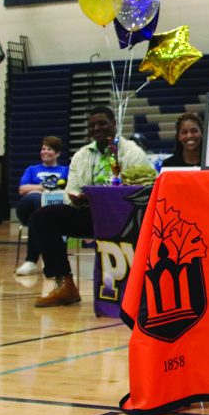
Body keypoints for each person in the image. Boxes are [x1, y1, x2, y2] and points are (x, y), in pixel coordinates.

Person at [30, 106, 151, 307]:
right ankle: (64, 284)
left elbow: (144, 190)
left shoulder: (133, 152)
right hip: (90, 214)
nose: (97, 128)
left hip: (125, 216)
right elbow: (71, 192)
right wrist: (81, 199)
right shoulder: (81, 155)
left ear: (114, 124)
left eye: (102, 123)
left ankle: (137, 288)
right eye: (92, 125)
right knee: (43, 217)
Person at [14, 136, 69, 276]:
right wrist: (42, 187)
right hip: (27, 207)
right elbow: (22, 190)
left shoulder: (65, 170)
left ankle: (32, 261)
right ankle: (46, 256)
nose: (44, 151)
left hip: (53, 211)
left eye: (49, 149)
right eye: (43, 149)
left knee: (38, 216)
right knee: (37, 201)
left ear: (57, 153)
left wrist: (35, 189)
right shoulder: (32, 170)